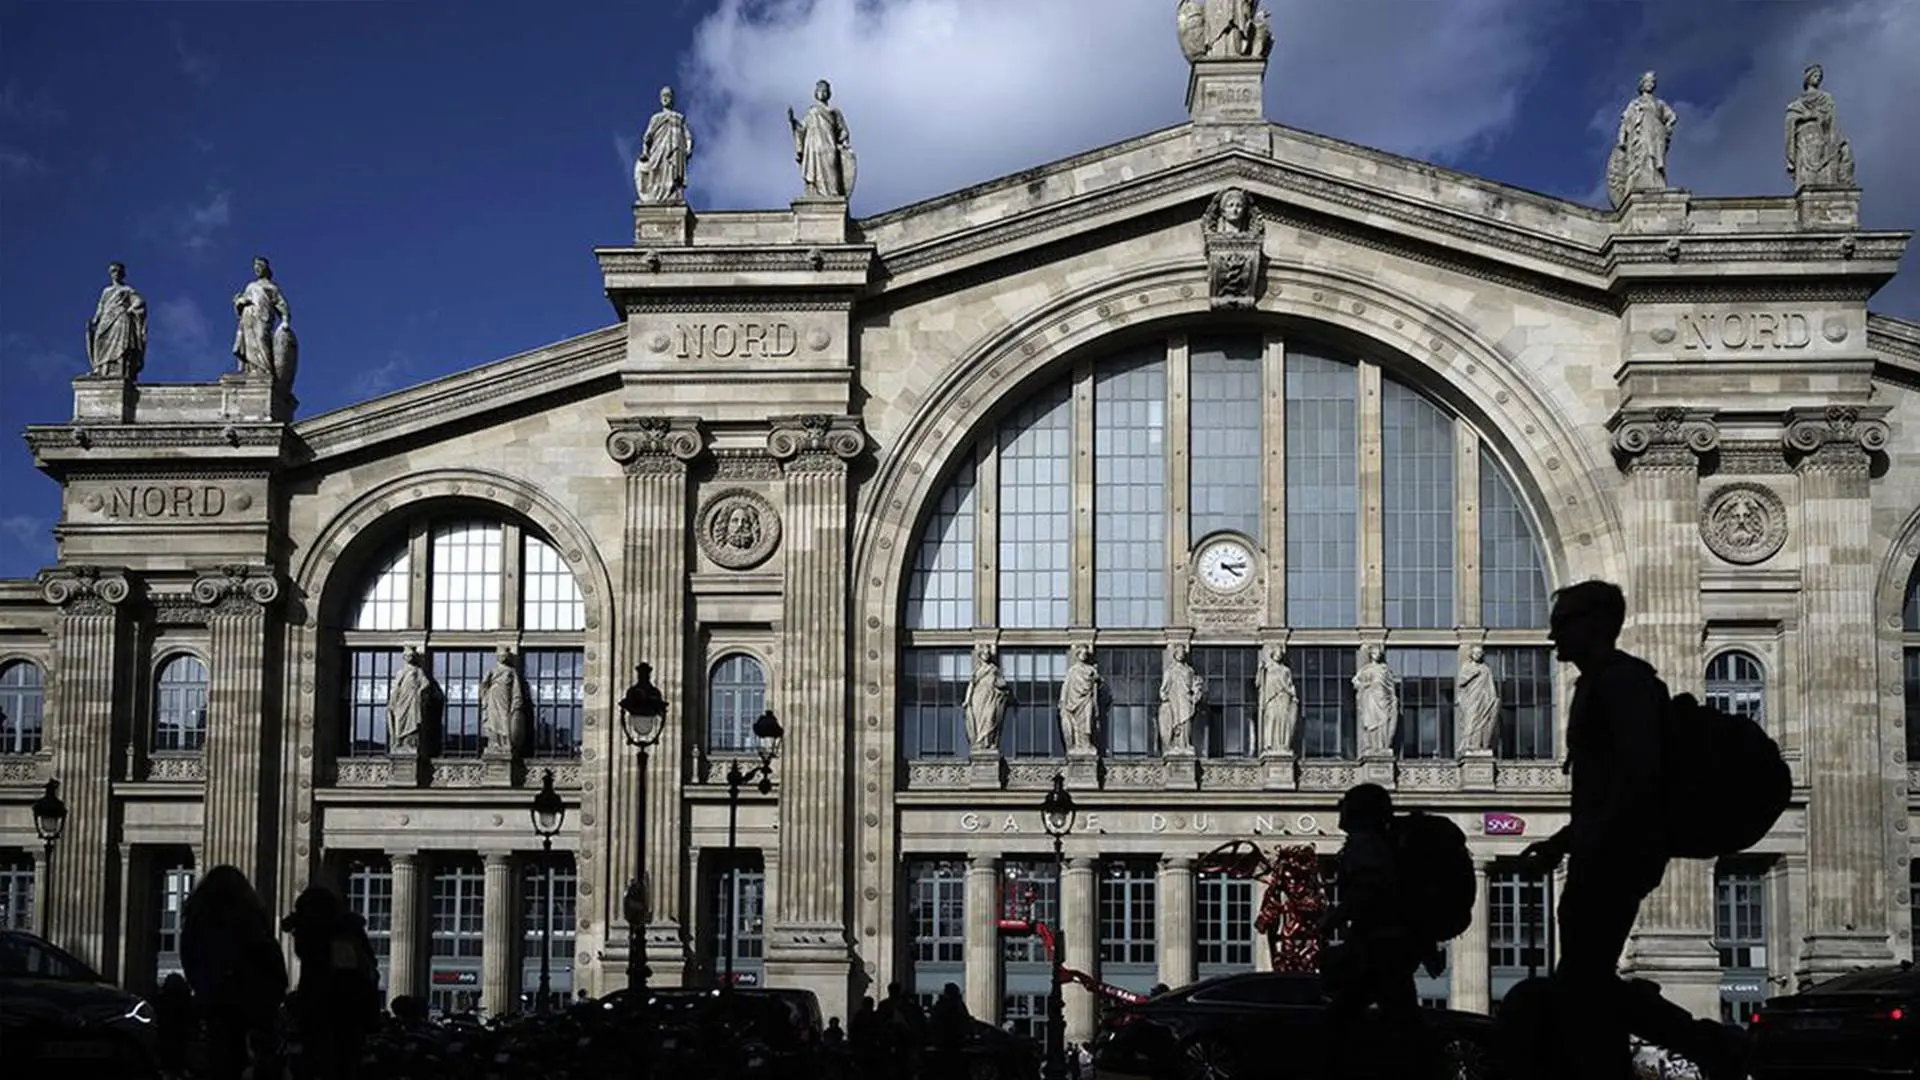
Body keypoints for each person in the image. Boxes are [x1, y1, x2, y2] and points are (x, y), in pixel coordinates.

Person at [1518, 580, 1748, 1080]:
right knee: (1586, 981)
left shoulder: (1625, 683)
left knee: (1582, 979)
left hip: (1617, 853)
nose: (1553, 633)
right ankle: (1677, 1047)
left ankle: (1708, 1042)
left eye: (1565, 621)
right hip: (1602, 848)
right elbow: (1603, 791)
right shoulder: (1598, 683)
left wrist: (1595, 842)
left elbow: (1637, 775)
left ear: (1598, 624)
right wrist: (1564, 843)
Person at [1319, 783, 1430, 1078]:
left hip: (1378, 944)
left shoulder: (1364, 844)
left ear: (1356, 811)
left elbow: (1369, 891)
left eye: (1344, 803)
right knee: (1399, 1015)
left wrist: (1334, 919)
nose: (1339, 809)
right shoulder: (1384, 842)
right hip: (1393, 943)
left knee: (1343, 1019)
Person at [179, 865, 289, 1080]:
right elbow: (270, 958)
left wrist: (203, 991)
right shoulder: (250, 918)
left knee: (221, 1063)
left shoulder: (199, 918)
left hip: (216, 1003)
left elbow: (189, 959)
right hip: (251, 1004)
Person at [281, 884, 380, 1080]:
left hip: (334, 1013)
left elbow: (346, 976)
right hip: (339, 1014)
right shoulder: (344, 932)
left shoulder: (336, 937)